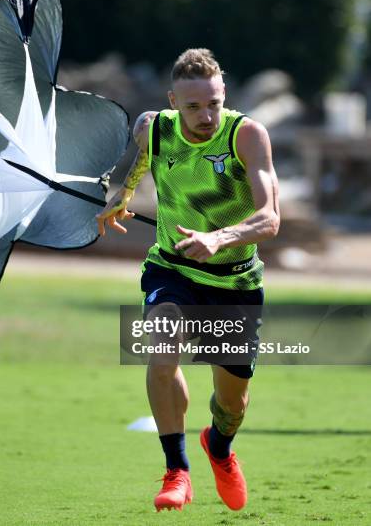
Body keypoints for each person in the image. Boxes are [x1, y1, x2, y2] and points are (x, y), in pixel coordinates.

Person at [96, 48, 280, 512]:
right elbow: (144, 160)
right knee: (161, 351)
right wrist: (124, 195)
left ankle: (218, 448)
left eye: (214, 104)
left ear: (225, 96)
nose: (206, 115)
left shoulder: (247, 136)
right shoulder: (152, 127)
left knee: (232, 403)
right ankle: (176, 470)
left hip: (235, 283)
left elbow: (269, 218)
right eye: (194, 106)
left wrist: (219, 238)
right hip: (172, 268)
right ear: (173, 102)